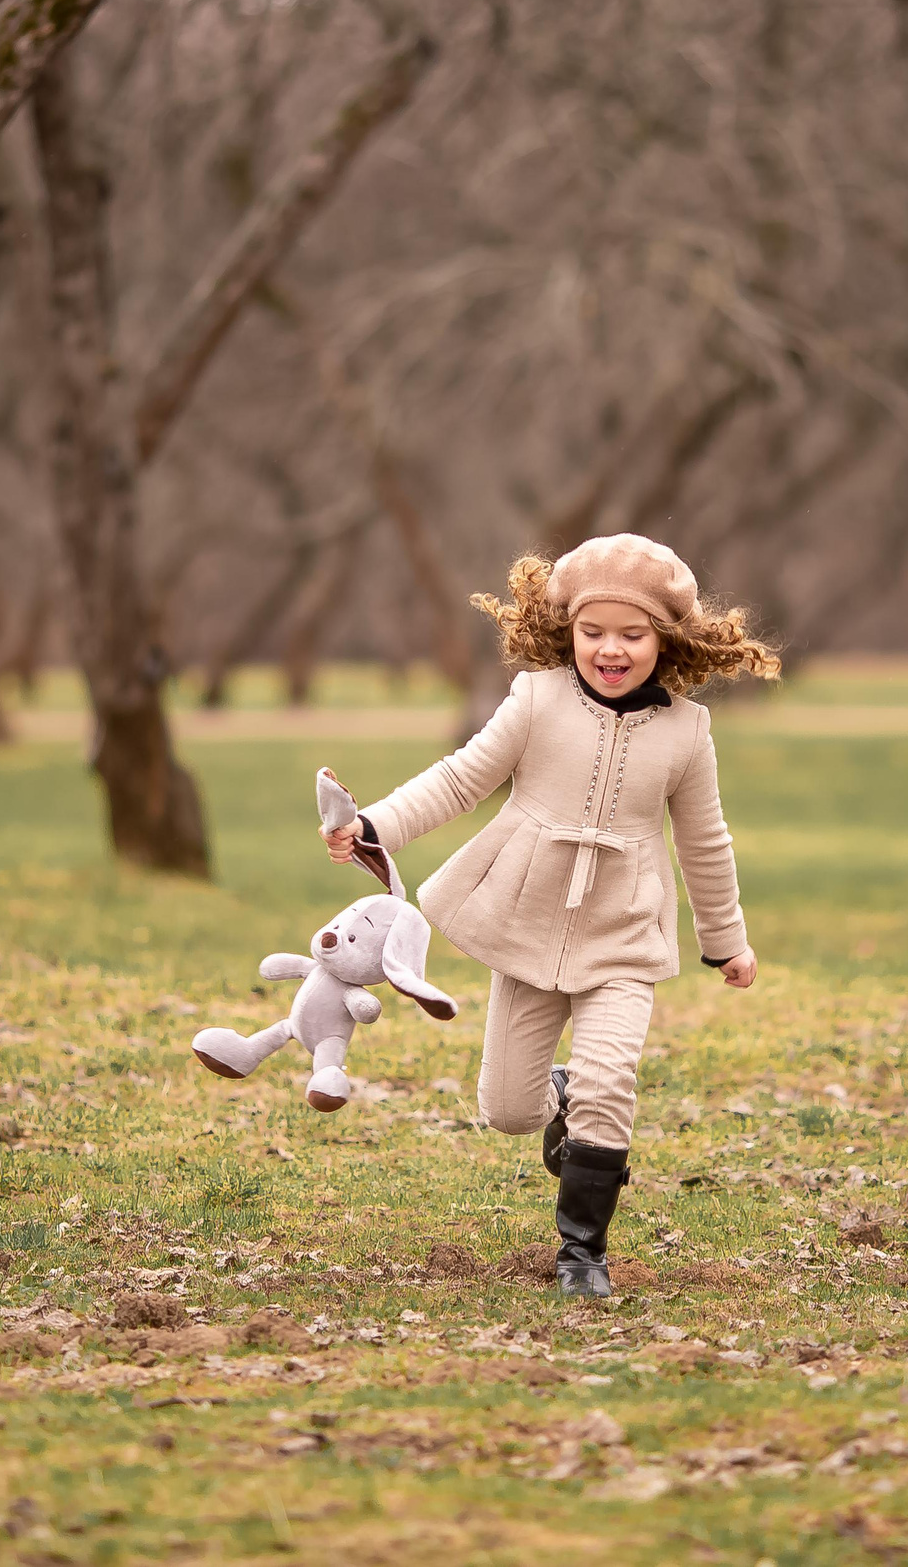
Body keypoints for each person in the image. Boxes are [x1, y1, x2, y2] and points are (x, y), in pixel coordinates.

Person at [326, 534, 779, 1296]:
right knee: (508, 1107)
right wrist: (372, 825)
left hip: (624, 936)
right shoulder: (536, 698)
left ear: (664, 639)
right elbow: (460, 779)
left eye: (632, 634)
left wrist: (725, 941)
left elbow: (705, 841)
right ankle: (556, 1099)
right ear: (566, 629)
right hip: (528, 924)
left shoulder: (685, 732)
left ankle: (582, 1254)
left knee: (612, 1082)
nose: (610, 649)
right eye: (592, 631)